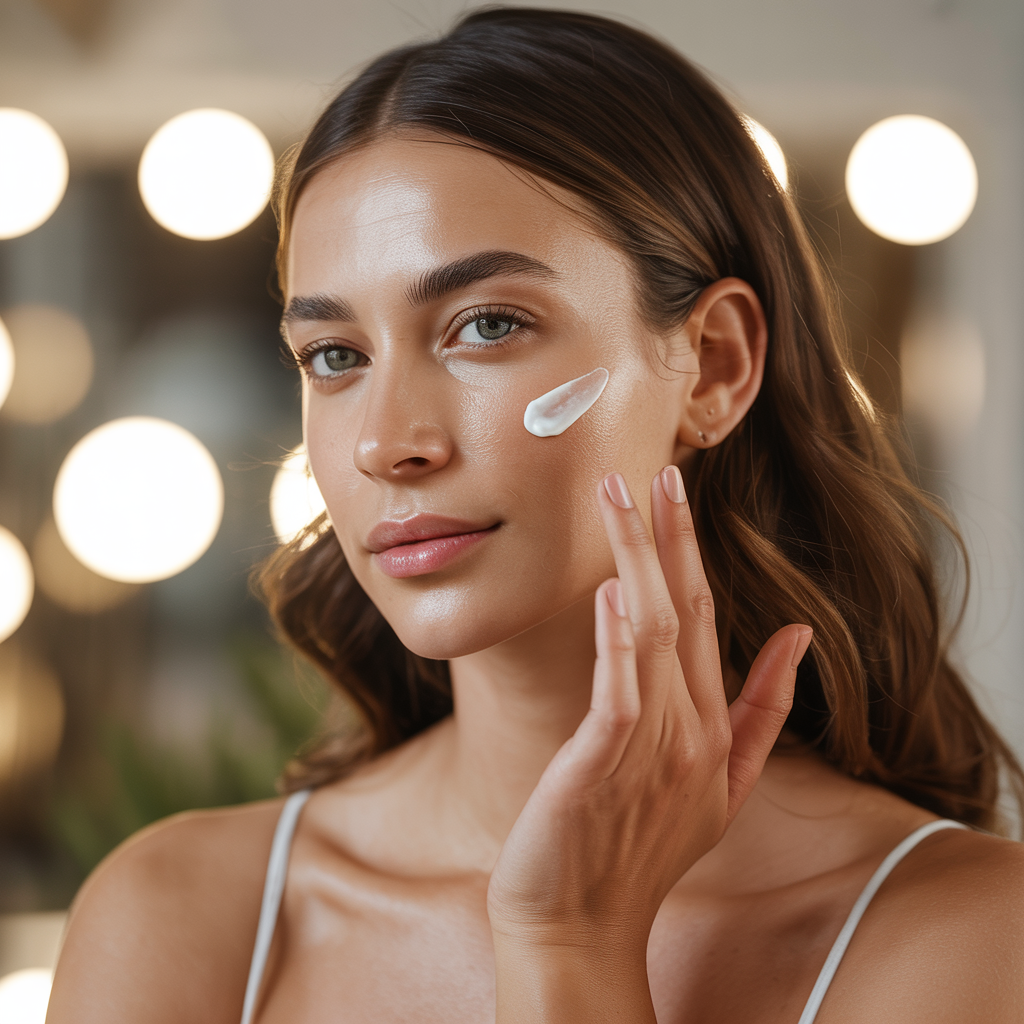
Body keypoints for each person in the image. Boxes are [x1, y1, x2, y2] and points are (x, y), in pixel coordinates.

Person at [48, 9, 1024, 1023]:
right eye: (336, 355)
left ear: (714, 365)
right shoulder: (182, 918)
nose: (388, 442)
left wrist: (572, 945)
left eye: (487, 325)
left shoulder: (968, 939)